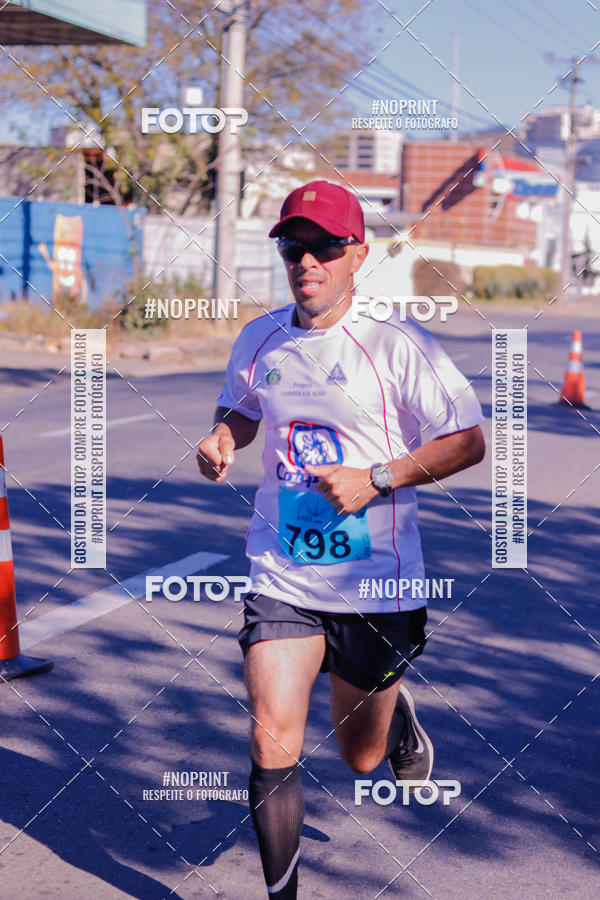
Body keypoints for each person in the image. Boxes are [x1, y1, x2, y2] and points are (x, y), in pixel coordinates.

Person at [197, 180, 485, 898]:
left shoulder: (396, 344)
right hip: (283, 572)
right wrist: (223, 437)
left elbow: (467, 441)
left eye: (325, 245)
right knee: (271, 737)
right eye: (294, 246)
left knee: (360, 758)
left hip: (375, 583)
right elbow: (242, 407)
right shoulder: (260, 337)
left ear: (359, 253)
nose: (307, 260)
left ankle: (394, 712)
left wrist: (377, 478)